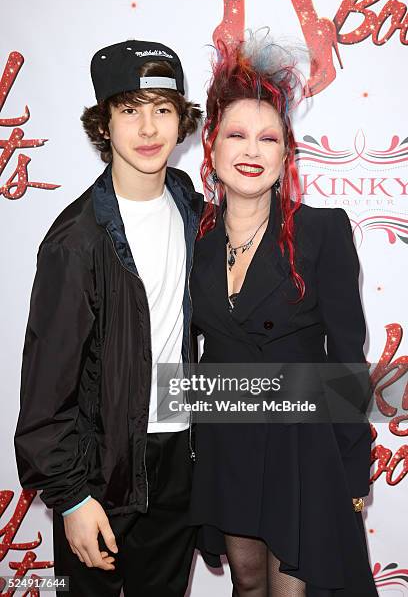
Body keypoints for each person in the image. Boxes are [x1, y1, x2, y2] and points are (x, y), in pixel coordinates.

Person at [189, 34, 378, 596]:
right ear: (212, 146)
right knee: (247, 586)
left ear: (286, 152)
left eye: (268, 138)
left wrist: (353, 466)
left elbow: (347, 358)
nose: (252, 150)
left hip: (302, 447)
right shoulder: (192, 238)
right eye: (237, 135)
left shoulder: (322, 232)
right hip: (229, 442)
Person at [15, 39, 203, 597]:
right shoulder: (76, 241)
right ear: (104, 123)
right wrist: (70, 497)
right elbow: (46, 393)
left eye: (162, 109)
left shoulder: (187, 201)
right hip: (101, 469)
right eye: (130, 110)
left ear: (181, 119)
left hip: (180, 456)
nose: (148, 128)